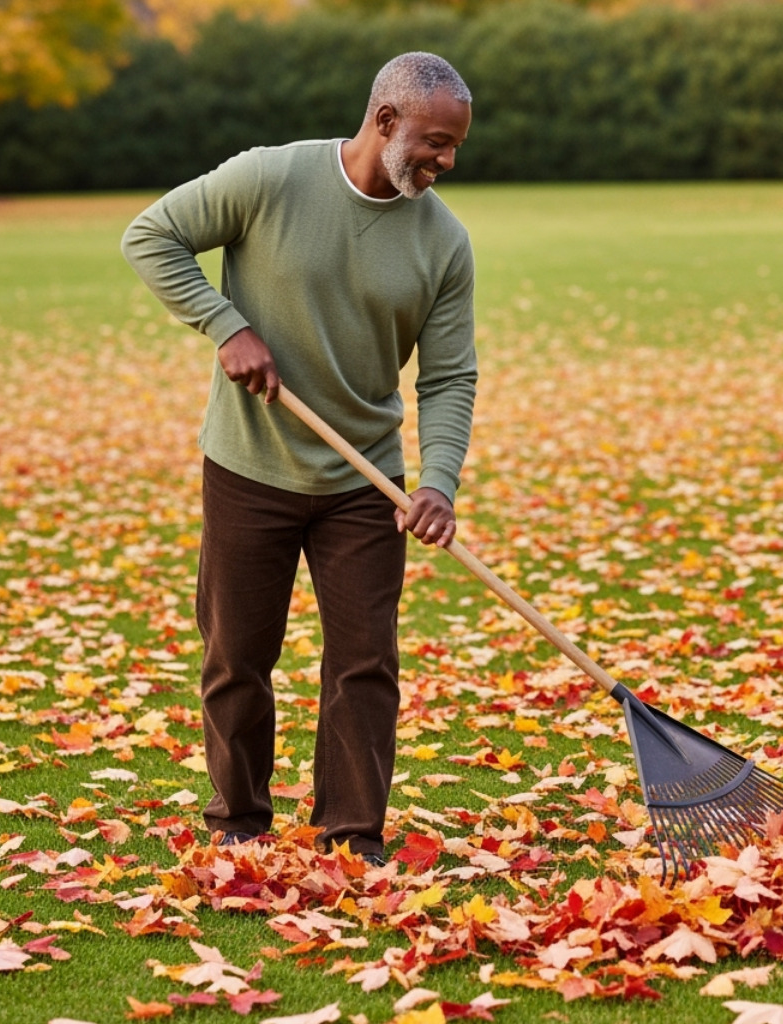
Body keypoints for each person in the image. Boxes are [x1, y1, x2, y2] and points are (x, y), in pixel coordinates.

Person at [120, 53, 477, 864]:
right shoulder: (269, 180)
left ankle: (352, 837)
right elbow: (151, 235)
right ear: (385, 121)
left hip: (365, 483)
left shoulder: (443, 242)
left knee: (365, 665)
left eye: (455, 145)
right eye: (434, 140)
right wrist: (224, 323)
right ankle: (238, 825)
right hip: (250, 466)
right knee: (237, 655)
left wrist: (437, 482)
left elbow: (450, 374)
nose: (446, 160)